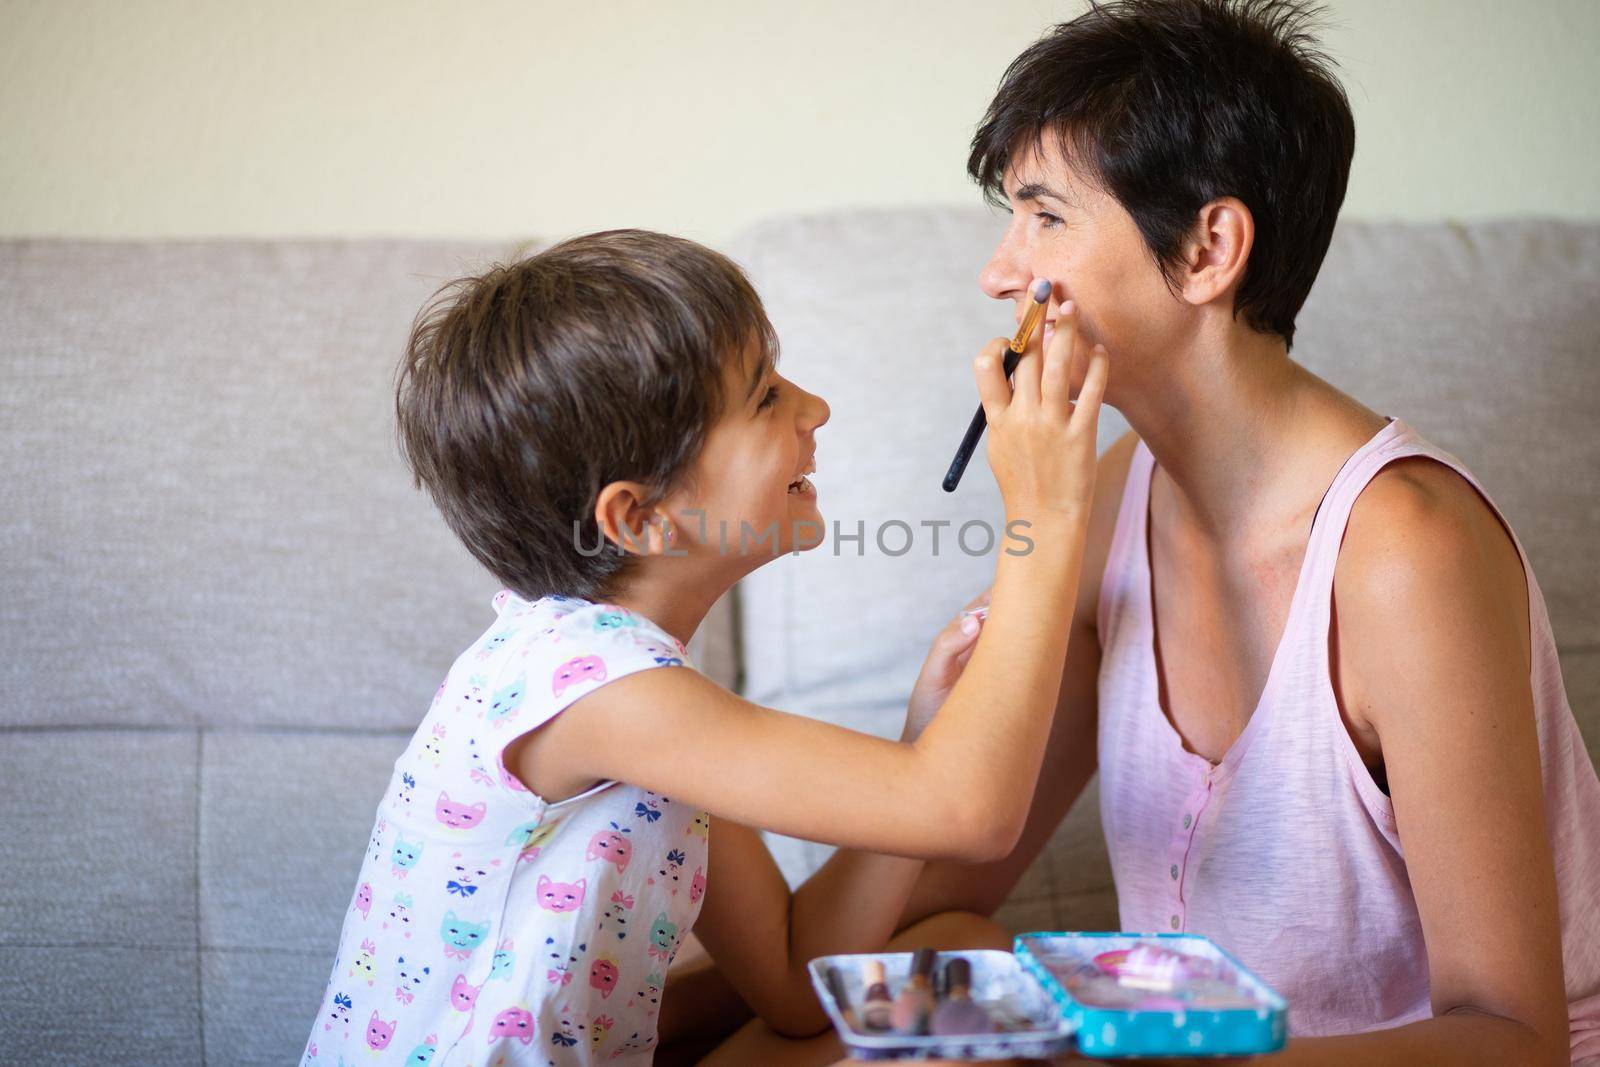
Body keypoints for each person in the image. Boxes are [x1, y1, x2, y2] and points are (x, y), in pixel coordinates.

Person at [684, 1, 1600, 1064]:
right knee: (910, 984)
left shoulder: (1407, 550)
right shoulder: (1113, 494)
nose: (998, 273)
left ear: (1208, 248)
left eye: (1044, 218)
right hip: (1166, 1050)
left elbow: (1512, 1036)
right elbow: (934, 888)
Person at [301, 227, 1109, 1065]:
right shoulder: (603, 695)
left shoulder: (631, 692)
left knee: (959, 953)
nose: (815, 409)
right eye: (765, 398)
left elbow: (798, 980)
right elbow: (972, 812)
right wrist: (1047, 512)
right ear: (640, 517)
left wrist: (919, 741)